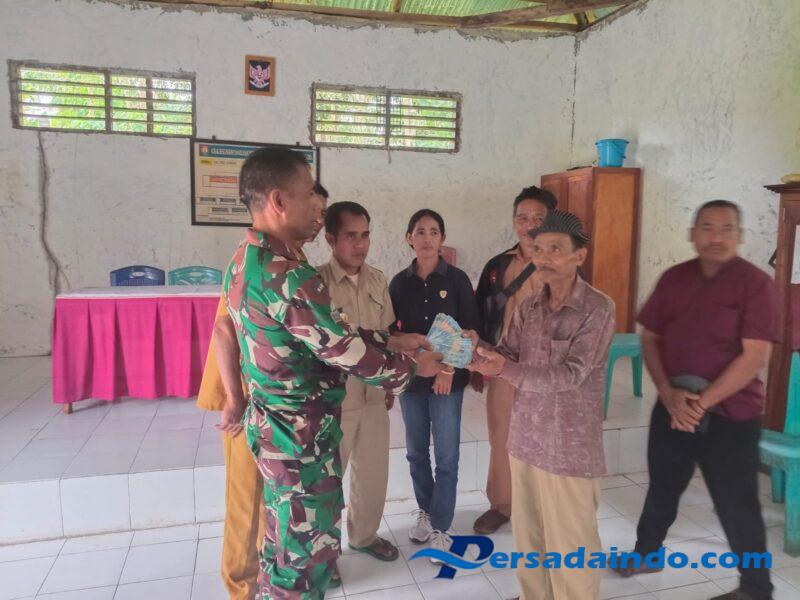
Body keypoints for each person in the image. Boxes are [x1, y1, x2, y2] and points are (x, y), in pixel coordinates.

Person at [220, 147, 444, 599]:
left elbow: (323, 332)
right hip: (300, 442)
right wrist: (413, 368)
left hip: (281, 432)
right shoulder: (288, 274)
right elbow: (344, 350)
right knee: (302, 567)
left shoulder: (247, 258)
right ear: (279, 201)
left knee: (284, 550)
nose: (318, 208)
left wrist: (390, 340)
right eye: (309, 195)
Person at [611, 200, 778, 600]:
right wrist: (668, 394)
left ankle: (756, 588)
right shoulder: (674, 279)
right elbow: (651, 338)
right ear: (692, 233)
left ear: (739, 235)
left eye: (726, 228)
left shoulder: (755, 284)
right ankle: (647, 554)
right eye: (707, 227)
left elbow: (755, 356)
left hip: (732, 415)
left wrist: (700, 404)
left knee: (737, 504)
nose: (716, 237)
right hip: (673, 406)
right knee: (662, 488)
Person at [468, 209, 615, 600]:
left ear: (579, 255)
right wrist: (475, 351)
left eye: (555, 249)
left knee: (572, 548)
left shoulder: (598, 309)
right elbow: (506, 354)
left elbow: (571, 375)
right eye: (538, 249)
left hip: (570, 449)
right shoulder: (529, 307)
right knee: (529, 539)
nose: (544, 258)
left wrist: (504, 368)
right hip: (526, 441)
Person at [196, 175, 330, 600]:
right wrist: (235, 400)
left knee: (275, 498)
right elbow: (223, 330)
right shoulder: (255, 261)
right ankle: (241, 587)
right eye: (313, 206)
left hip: (277, 403)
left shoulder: (293, 259)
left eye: (323, 212)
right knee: (247, 498)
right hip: (248, 397)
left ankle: (271, 577)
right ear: (281, 204)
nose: (318, 218)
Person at [389, 208, 481, 558]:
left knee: (446, 456)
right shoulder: (399, 283)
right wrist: (413, 365)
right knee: (416, 453)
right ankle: (426, 513)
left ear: (442, 238)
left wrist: (446, 370)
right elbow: (391, 334)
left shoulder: (457, 280)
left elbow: (471, 331)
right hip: (412, 381)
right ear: (409, 238)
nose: (427, 238)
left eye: (433, 232)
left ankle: (441, 526)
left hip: (447, 381)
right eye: (420, 231)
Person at [317, 201, 399, 562]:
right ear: (330, 239)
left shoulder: (378, 280)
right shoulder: (316, 283)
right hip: (336, 398)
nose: (360, 244)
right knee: (328, 479)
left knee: (373, 473)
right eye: (351, 236)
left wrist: (389, 383)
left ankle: (364, 537)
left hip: (374, 394)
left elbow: (386, 335)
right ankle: (324, 554)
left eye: (365, 235)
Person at [473, 185, 555, 535]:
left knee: (545, 438)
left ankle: (542, 507)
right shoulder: (498, 266)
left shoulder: (564, 265)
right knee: (501, 437)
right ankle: (502, 505)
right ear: (513, 221)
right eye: (522, 217)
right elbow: (480, 313)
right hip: (503, 365)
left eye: (538, 218)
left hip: (545, 370)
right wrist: (476, 361)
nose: (529, 224)